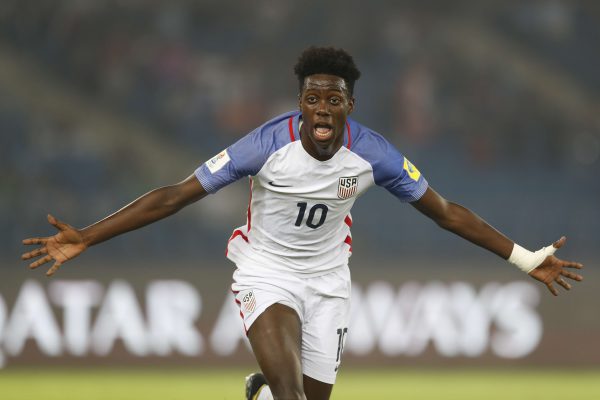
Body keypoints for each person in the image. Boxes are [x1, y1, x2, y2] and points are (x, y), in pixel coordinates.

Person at [22, 46, 583, 400]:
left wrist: (524, 258)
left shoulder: (374, 155)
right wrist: (88, 236)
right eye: (312, 98)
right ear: (300, 103)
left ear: (349, 106)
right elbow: (175, 196)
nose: (321, 108)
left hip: (328, 281)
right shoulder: (265, 144)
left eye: (332, 99)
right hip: (264, 272)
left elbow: (446, 213)